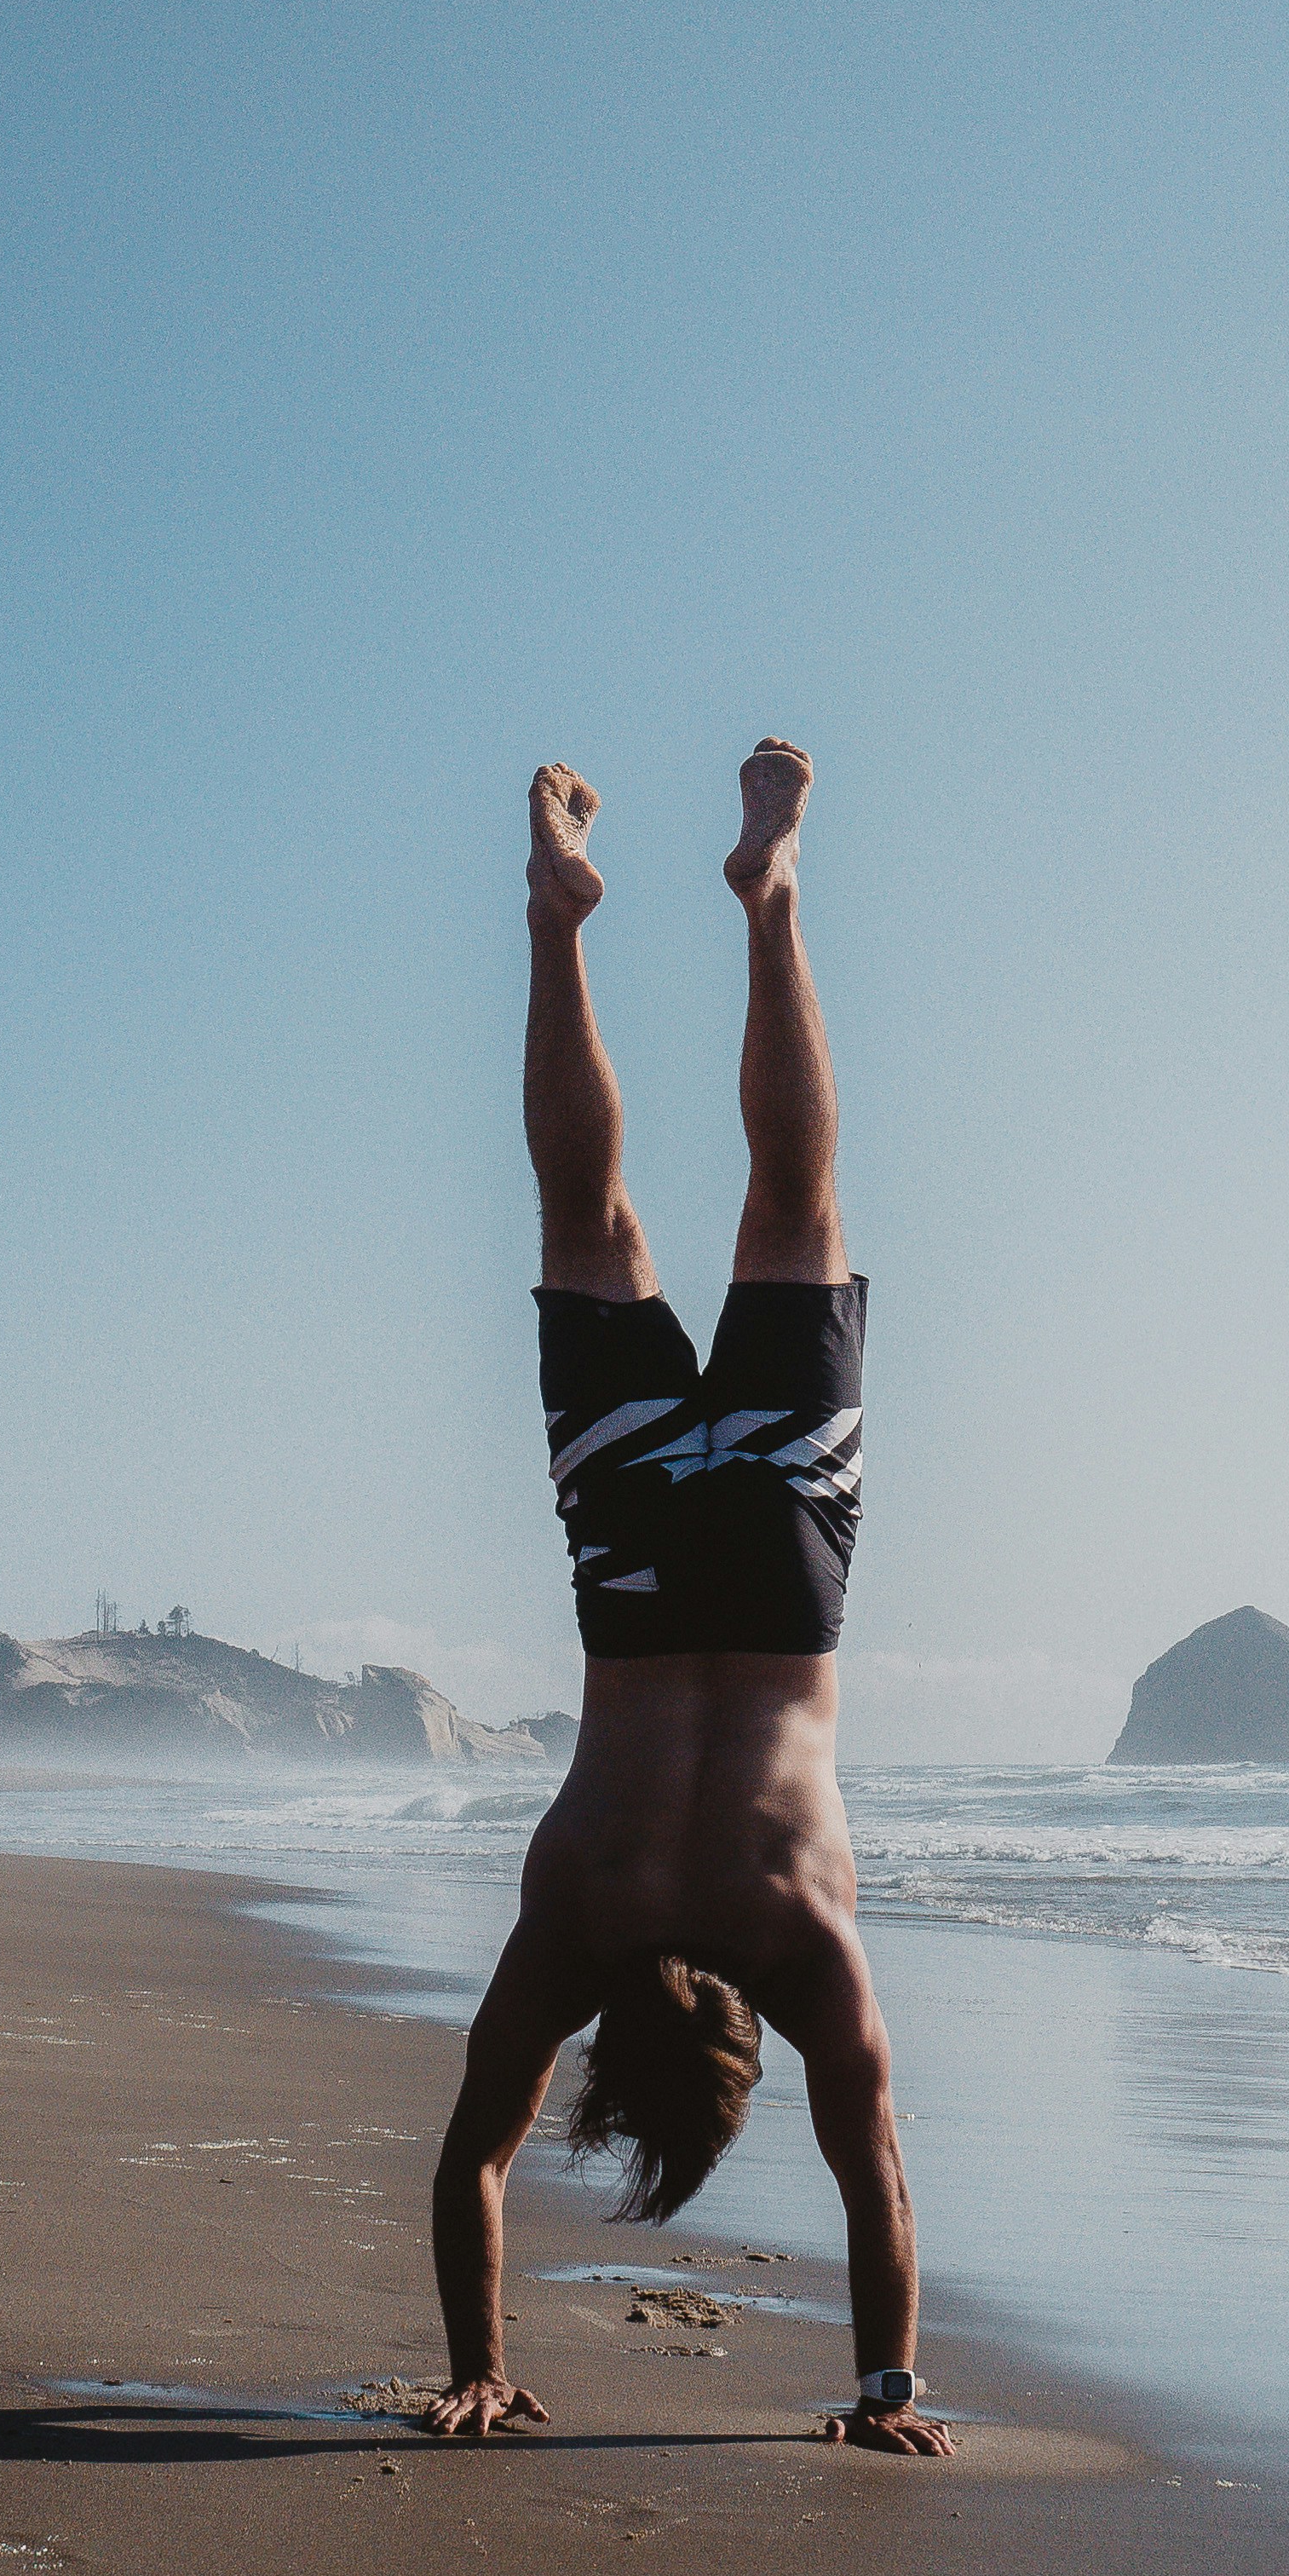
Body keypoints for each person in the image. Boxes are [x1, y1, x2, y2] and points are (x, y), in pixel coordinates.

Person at [424, 742, 952, 2459]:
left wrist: (893, 2385)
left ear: (731, 2046)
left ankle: (771, 895)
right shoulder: (576, 1909)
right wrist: (473, 2360)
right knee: (587, 1213)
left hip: (786, 1583)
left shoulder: (801, 1929)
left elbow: (872, 2159)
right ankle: (558, 922)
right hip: (639, 1576)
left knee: (793, 1211)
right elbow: (473, 2160)